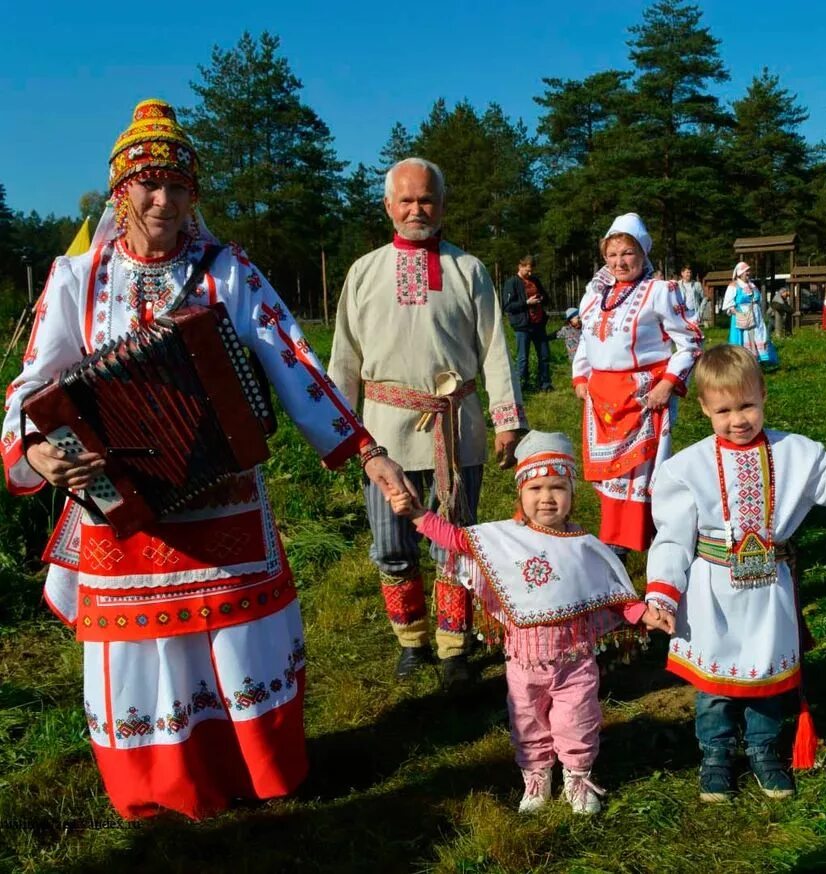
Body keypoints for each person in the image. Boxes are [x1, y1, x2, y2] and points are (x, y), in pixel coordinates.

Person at [0, 99, 410, 821]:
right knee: (142, 653)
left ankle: (256, 772)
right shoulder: (74, 278)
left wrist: (367, 451)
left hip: (225, 498)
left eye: (177, 187)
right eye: (147, 185)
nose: (162, 200)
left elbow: (294, 359)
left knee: (239, 639)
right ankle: (155, 789)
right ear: (120, 192)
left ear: (195, 195)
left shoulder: (230, 271)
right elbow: (32, 383)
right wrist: (34, 447)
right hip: (122, 512)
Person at [389, 431, 670, 814]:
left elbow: (612, 594)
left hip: (575, 659)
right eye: (536, 487)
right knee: (527, 719)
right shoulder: (505, 541)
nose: (547, 497)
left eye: (557, 487)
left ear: (572, 492)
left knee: (578, 718)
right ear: (520, 492)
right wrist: (418, 515)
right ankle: (536, 776)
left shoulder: (584, 547)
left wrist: (642, 613)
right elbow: (457, 540)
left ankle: (577, 775)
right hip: (523, 662)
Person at [329, 157, 527, 689]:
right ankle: (412, 641)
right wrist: (343, 433)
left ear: (442, 206)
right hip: (384, 437)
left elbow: (494, 350)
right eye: (407, 200)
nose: (417, 210)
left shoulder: (469, 269)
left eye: (427, 200)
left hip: (454, 432)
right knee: (392, 545)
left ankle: (454, 646)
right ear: (388, 206)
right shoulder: (364, 271)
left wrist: (507, 419)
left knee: (455, 545)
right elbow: (344, 360)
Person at [644, 344, 826, 802]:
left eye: (748, 405)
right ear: (705, 408)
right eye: (725, 410)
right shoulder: (686, 468)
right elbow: (672, 537)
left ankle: (765, 751)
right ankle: (715, 755)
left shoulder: (795, 452)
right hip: (713, 589)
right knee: (715, 688)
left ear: (764, 394)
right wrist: (663, 593)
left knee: (764, 675)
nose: (739, 419)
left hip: (769, 588)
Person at [572, 213, 703, 556]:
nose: (619, 261)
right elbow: (587, 339)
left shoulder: (660, 293)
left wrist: (668, 384)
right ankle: (613, 533)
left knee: (637, 473)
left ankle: (632, 539)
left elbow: (690, 342)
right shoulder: (595, 296)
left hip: (644, 396)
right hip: (602, 397)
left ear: (643, 253)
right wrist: (581, 374)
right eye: (612, 255)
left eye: (627, 253)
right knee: (609, 474)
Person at [502, 255, 552, 393]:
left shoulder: (535, 281)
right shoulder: (511, 282)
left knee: (544, 355)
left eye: (531, 271)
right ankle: (522, 386)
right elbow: (507, 306)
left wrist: (541, 298)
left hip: (538, 323)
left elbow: (546, 297)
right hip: (522, 326)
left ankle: (545, 383)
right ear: (520, 266)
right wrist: (526, 303)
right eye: (527, 271)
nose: (530, 274)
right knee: (523, 358)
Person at [723, 262, 778, 368]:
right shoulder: (734, 286)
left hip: (756, 316)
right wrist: (739, 314)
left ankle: (758, 360)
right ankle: (746, 362)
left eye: (749, 271)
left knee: (759, 335)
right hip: (743, 316)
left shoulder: (752, 285)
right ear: (740, 273)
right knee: (746, 337)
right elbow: (728, 304)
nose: (748, 273)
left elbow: (759, 299)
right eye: (746, 271)